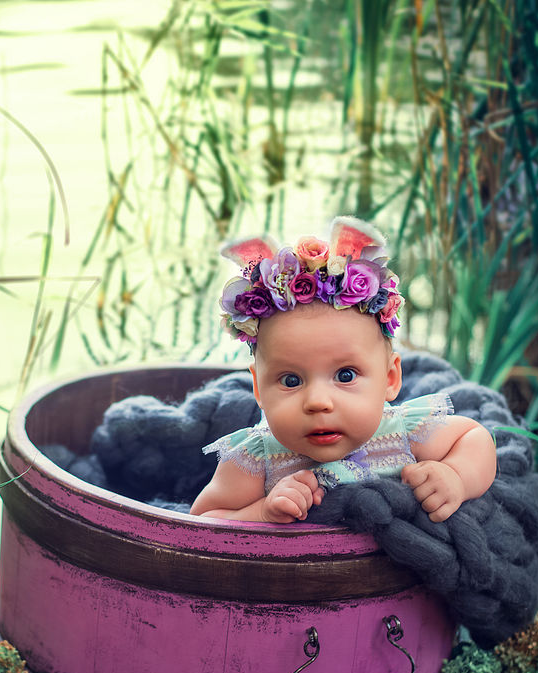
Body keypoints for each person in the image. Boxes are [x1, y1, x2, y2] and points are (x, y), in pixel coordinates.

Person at [190, 217, 496, 525]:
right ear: (258, 389)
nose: (318, 402)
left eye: (345, 375)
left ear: (389, 379)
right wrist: (262, 511)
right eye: (291, 380)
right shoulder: (257, 460)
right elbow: (202, 520)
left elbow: (474, 437)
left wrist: (455, 476)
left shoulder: (402, 432)